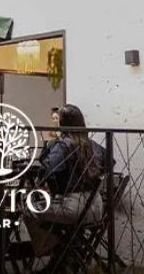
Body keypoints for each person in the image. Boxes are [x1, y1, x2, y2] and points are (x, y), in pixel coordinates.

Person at [24, 104, 108, 256]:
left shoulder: (64, 145)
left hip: (73, 209)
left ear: (63, 124)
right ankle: (67, 250)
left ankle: (55, 249)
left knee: (28, 207)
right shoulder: (91, 144)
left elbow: (46, 169)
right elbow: (109, 162)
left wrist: (50, 144)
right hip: (97, 207)